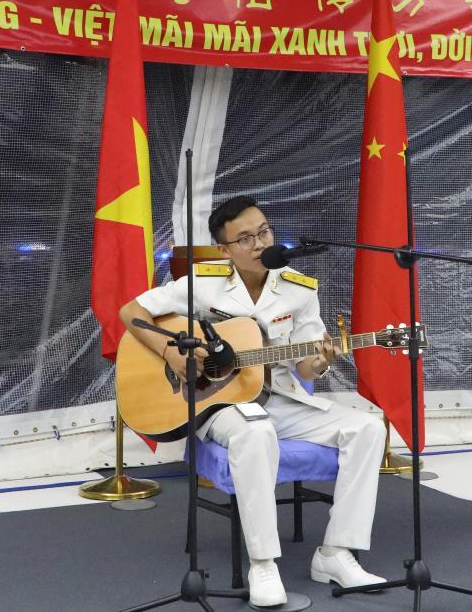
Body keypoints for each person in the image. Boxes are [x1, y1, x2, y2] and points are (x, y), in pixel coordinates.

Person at [120, 195, 387, 606]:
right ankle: (263, 564)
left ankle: (336, 553)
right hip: (218, 404)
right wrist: (170, 353)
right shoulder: (203, 282)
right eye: (245, 238)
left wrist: (320, 362)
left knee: (368, 427)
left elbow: (304, 368)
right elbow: (131, 312)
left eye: (264, 232)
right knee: (256, 432)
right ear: (225, 250)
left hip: (278, 397)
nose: (260, 243)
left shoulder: (299, 288)